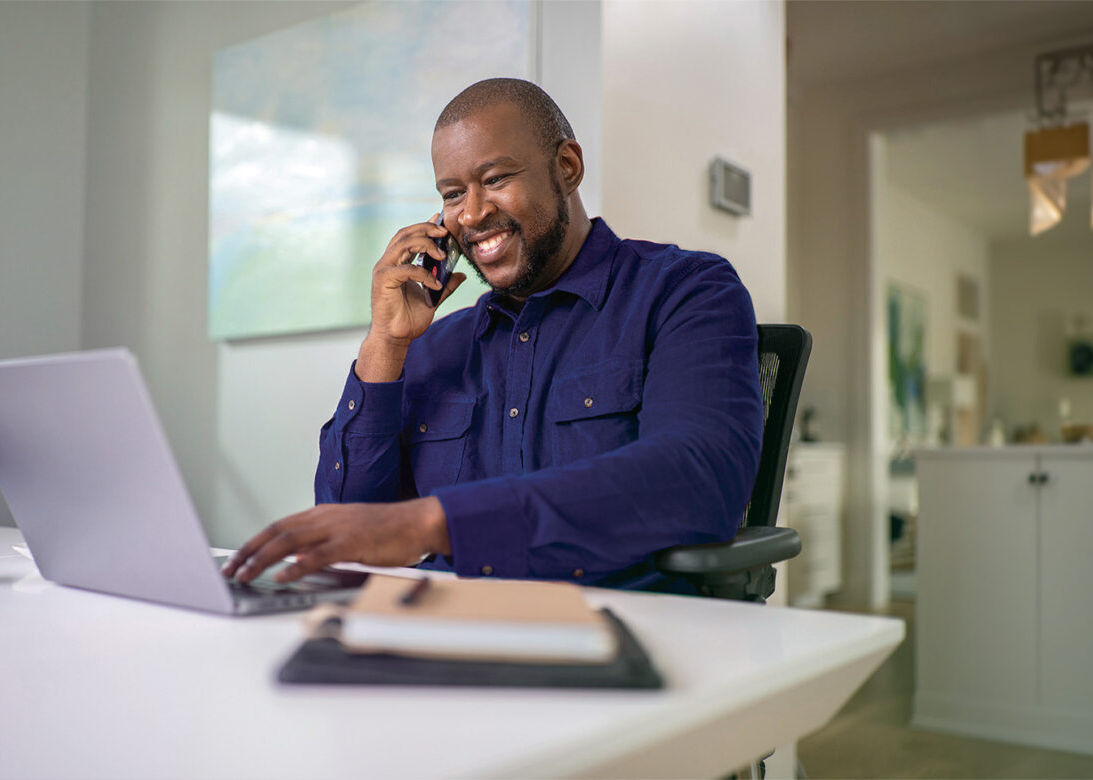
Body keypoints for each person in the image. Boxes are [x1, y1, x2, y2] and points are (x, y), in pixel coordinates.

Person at [223, 78, 763, 593]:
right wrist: (384, 345)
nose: (473, 213)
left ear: (567, 167)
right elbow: (345, 524)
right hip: (449, 628)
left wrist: (439, 522)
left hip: (614, 624)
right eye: (453, 193)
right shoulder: (437, 346)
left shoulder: (685, 292)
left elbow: (697, 478)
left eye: (496, 179)